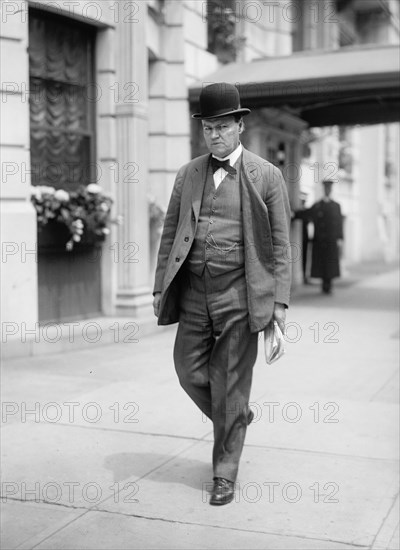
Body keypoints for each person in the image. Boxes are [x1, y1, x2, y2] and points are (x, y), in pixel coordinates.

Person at [152, 82, 291, 506]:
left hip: (239, 293)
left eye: (223, 126)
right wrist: (161, 286)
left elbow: (282, 245)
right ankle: (235, 416)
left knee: (230, 380)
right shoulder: (188, 173)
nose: (215, 135)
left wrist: (279, 305)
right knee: (186, 368)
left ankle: (224, 473)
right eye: (208, 127)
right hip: (194, 291)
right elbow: (171, 233)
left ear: (240, 126)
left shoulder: (266, 175)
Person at [295, 180, 343, 294]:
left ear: (331, 190)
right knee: (321, 263)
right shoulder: (318, 205)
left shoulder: (336, 206)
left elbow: (339, 223)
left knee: (330, 264)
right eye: (326, 188)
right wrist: (293, 214)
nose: (327, 190)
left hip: (331, 240)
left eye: (329, 188)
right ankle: (324, 284)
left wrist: (340, 238)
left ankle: (328, 284)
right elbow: (306, 214)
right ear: (324, 189)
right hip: (320, 240)